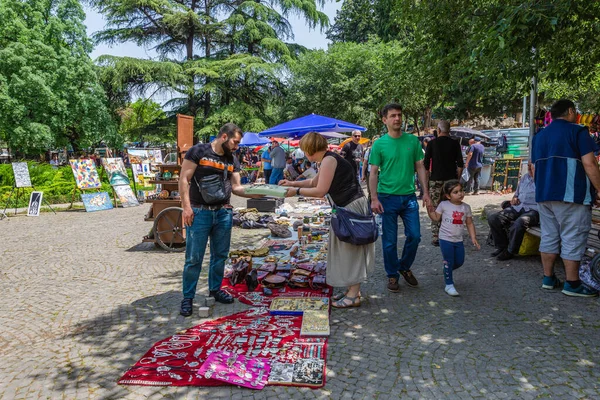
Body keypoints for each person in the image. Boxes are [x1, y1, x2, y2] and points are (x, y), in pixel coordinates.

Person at [280, 132, 374, 308]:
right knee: (347, 249)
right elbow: (313, 182)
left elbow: (319, 190)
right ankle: (352, 290)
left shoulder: (329, 160)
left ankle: (354, 295)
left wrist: (296, 192)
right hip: (347, 206)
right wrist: (292, 183)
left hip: (350, 206)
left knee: (350, 250)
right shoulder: (327, 159)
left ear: (310, 150)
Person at [178, 123, 263, 316]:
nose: (237, 147)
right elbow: (184, 178)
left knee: (220, 256)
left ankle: (215, 290)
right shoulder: (198, 151)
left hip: (223, 212)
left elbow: (237, 187)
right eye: (235, 142)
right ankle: (188, 297)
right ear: (224, 137)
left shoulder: (232, 158)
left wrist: (261, 193)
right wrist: (186, 208)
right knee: (194, 258)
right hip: (199, 212)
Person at [532, 99, 600, 297]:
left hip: (544, 194)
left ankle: (548, 278)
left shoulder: (539, 136)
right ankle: (572, 284)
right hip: (571, 194)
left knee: (549, 235)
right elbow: (590, 164)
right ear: (570, 111)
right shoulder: (578, 131)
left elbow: (533, 168)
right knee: (573, 236)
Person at [369, 103, 432, 292]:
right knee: (389, 242)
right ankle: (392, 275)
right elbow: (373, 173)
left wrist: (426, 192)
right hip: (386, 197)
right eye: (393, 116)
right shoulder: (379, 144)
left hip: (409, 197)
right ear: (384, 120)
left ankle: (404, 266)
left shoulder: (412, 141)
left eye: (399, 115)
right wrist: (373, 198)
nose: (397, 118)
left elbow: (420, 167)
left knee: (415, 236)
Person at [426, 180, 480, 296]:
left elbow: (469, 223)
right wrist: (429, 209)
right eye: (456, 192)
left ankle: (447, 269)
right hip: (445, 239)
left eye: (461, 190)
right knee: (449, 260)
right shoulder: (444, 205)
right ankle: (449, 284)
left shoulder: (466, 207)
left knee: (459, 261)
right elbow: (435, 218)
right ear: (448, 196)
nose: (460, 193)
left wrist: (473, 237)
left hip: (458, 240)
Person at [423, 120, 464, 246]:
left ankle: (436, 235)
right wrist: (457, 179)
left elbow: (425, 166)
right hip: (451, 181)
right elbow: (460, 165)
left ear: (438, 130)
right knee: (451, 206)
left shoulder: (432, 144)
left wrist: (426, 182)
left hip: (435, 180)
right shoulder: (455, 144)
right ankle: (450, 233)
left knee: (435, 206)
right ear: (449, 131)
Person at [488, 163, 539, 261]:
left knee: (520, 222)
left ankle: (510, 251)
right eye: (528, 165)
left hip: (534, 210)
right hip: (518, 207)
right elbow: (516, 194)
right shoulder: (525, 178)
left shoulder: (543, 180)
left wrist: (535, 175)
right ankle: (502, 247)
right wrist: (515, 197)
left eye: (531, 166)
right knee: (494, 218)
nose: (528, 168)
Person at [361, 136, 380, 201]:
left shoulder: (382, 150)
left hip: (380, 173)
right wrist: (363, 174)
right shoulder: (369, 150)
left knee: (379, 191)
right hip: (370, 173)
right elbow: (365, 163)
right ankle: (370, 208)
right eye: (375, 142)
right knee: (371, 192)